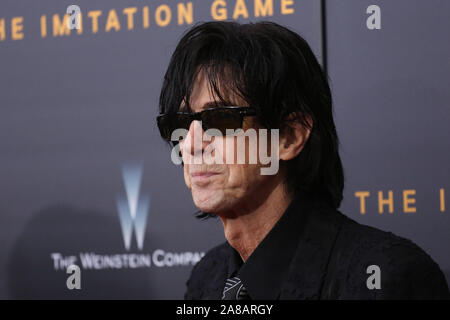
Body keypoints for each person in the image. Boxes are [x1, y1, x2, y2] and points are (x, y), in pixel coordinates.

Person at [156, 21, 449, 299]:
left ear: (290, 137)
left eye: (219, 118)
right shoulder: (208, 278)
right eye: (180, 123)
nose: (191, 144)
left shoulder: (385, 278)